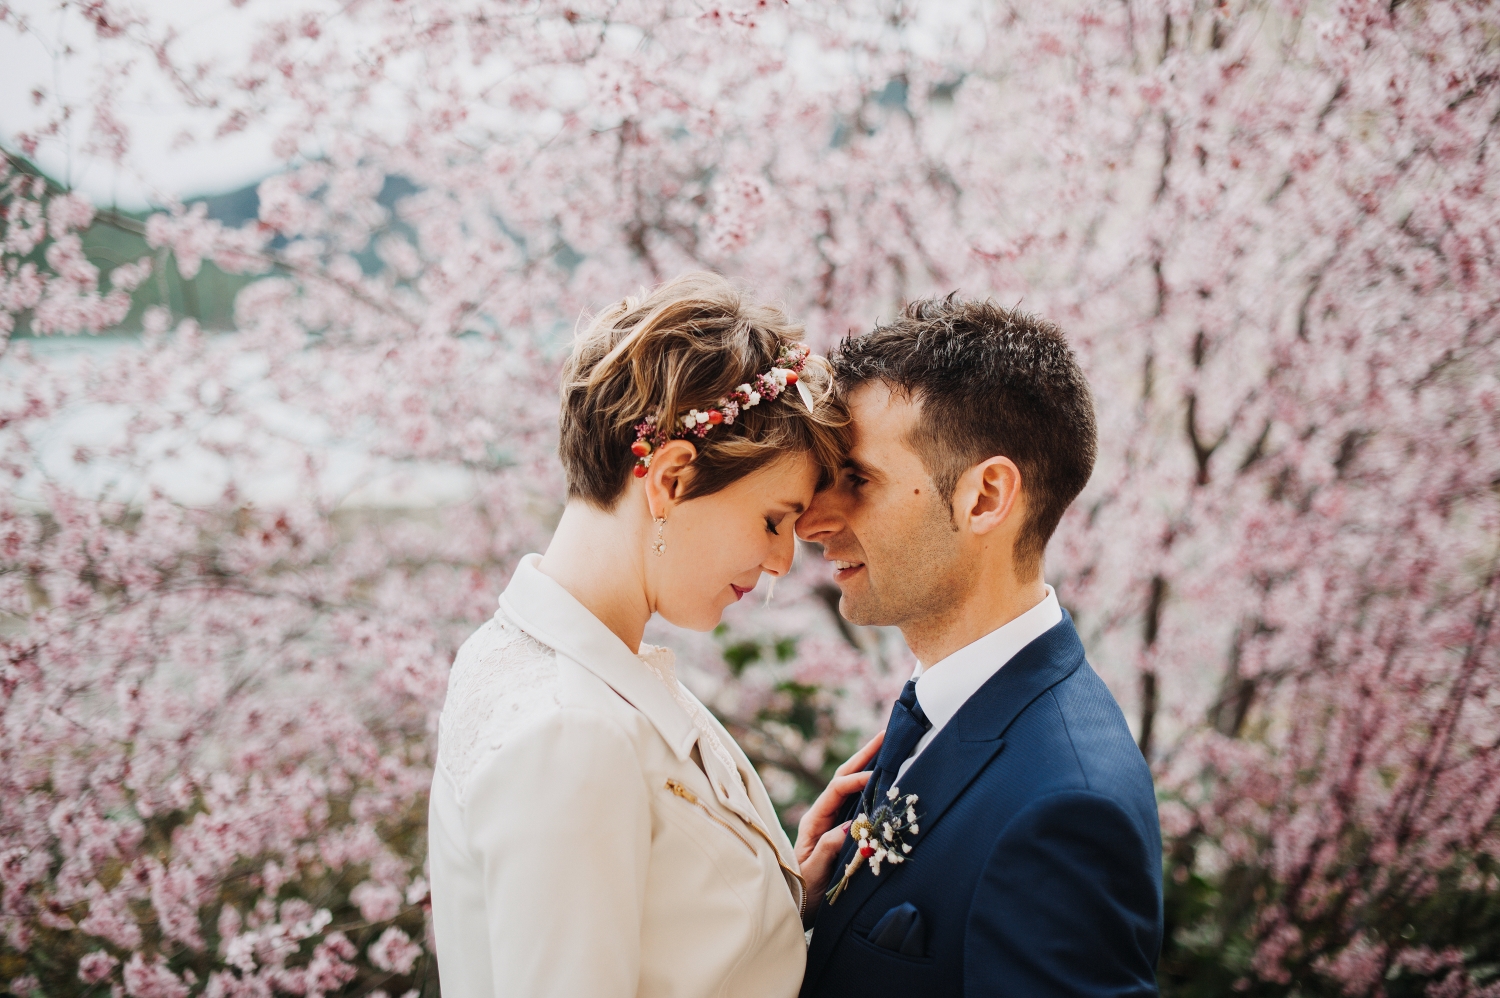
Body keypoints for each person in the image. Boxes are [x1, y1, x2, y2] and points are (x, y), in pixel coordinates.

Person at [427, 272, 876, 998]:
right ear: (669, 478)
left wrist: (777, 895)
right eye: (772, 519)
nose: (782, 562)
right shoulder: (570, 731)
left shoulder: (552, 658)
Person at [793, 296, 1163, 996]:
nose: (811, 521)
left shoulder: (1067, 810)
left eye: (857, 480)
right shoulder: (946, 712)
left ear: (986, 496)